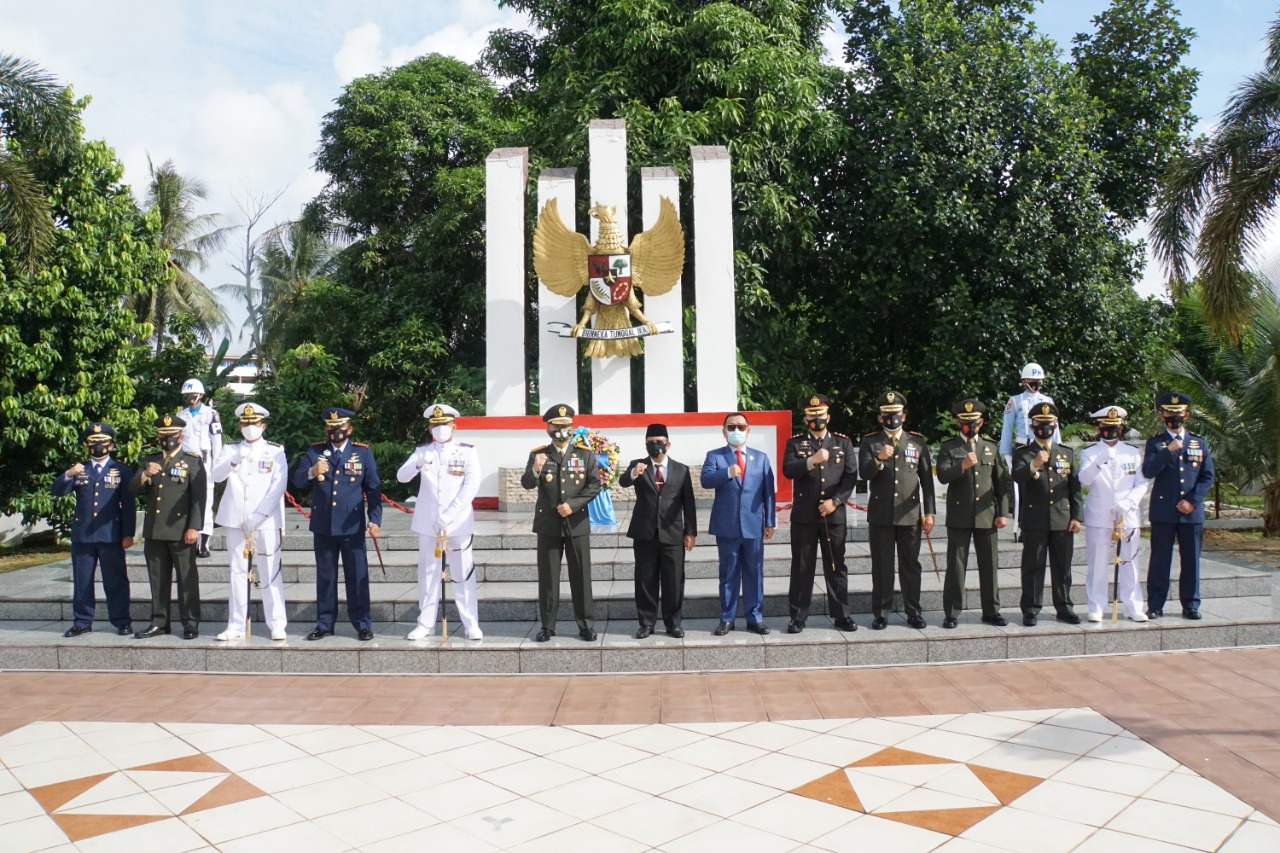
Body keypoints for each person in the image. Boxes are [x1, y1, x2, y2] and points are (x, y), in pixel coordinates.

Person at [291, 408, 382, 641]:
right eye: (331, 428)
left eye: (339, 427)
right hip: (324, 525)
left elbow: (373, 488)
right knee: (326, 576)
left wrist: (375, 519)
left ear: (349, 429)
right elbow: (297, 480)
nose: (335, 431)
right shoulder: (315, 452)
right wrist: (312, 471)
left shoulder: (362, 453)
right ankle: (324, 624)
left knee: (357, 575)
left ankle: (362, 624)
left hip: (352, 525)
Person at [396, 404, 483, 641]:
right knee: (428, 574)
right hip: (428, 523)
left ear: (454, 426)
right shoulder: (423, 451)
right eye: (435, 425)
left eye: (444, 424)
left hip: (458, 522)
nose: (440, 428)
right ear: (429, 428)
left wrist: (449, 515)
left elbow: (471, 487)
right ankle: (425, 623)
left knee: (463, 574)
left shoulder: (467, 452)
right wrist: (417, 463)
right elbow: (401, 477)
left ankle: (470, 623)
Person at [521, 404, 602, 642]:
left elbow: (594, 485)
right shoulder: (538, 454)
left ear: (572, 428)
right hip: (548, 524)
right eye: (557, 426)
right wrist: (535, 468)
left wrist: (573, 505)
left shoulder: (584, 454)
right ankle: (547, 626)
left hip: (576, 523)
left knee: (581, 576)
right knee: (548, 577)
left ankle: (586, 625)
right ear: (548, 429)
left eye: (566, 426)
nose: (562, 431)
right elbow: (527, 484)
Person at [210, 403, 289, 642]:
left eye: (254, 423)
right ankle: (235, 624)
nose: (249, 427)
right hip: (236, 520)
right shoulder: (231, 449)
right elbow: (215, 476)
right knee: (237, 572)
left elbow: (278, 486)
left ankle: (277, 623)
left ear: (262, 426)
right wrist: (235, 460)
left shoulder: (275, 450)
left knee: (270, 571)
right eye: (245, 423)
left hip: (265, 520)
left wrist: (258, 516)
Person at [781, 394, 858, 633]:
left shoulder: (842, 443)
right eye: (812, 416)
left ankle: (842, 615)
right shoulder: (795, 443)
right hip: (804, 515)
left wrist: (835, 501)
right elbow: (788, 470)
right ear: (806, 419)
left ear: (828, 417)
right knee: (802, 566)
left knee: (836, 565)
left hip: (833, 515)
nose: (817, 419)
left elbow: (850, 476)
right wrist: (811, 461)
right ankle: (798, 617)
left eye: (821, 415)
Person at [860, 392, 936, 630]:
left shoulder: (917, 442)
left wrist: (930, 512)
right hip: (881, 515)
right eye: (887, 414)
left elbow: (926, 480)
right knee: (882, 566)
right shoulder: (870, 442)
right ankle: (881, 613)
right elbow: (864, 473)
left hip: (909, 514)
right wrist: (878, 458)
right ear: (880, 417)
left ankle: (913, 612)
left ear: (903, 416)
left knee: (910, 566)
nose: (891, 418)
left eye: (895, 414)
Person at [52, 422, 135, 637]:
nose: (98, 447)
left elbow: (128, 505)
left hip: (111, 535)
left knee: (115, 580)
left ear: (111, 445)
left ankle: (122, 621)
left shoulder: (122, 471)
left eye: (103, 442)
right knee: (82, 581)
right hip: (83, 535)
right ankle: (82, 621)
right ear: (87, 446)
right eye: (93, 443)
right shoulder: (80, 470)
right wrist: (69, 473)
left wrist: (128, 533)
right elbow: (57, 490)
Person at [130, 414, 206, 639]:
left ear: (181, 437)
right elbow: (132, 488)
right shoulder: (150, 460)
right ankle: (159, 622)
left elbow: (198, 498)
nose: (167, 439)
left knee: (186, 579)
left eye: (171, 435)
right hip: (155, 531)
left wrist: (194, 527)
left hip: (181, 530)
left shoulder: (192, 461)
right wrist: (145, 475)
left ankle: (190, 623)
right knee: (157, 579)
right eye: (163, 436)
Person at [936, 400, 1010, 628]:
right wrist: (962, 466)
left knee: (989, 565)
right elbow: (942, 476)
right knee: (956, 567)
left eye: (974, 422)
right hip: (959, 514)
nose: (971, 425)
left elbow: (1001, 482)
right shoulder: (949, 447)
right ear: (958, 422)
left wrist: (1003, 512)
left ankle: (991, 611)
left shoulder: (991, 447)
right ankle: (952, 612)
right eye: (966, 422)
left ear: (982, 422)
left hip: (987, 514)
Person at [619, 423, 697, 639]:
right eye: (651, 442)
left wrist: (691, 532)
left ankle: (673, 624)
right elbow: (623, 482)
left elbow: (689, 502)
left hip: (673, 532)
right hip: (645, 532)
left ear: (668, 444)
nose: (655, 446)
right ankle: (646, 623)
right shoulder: (638, 465)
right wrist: (634, 473)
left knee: (674, 580)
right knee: (645, 580)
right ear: (645, 444)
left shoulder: (681, 469)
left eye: (659, 442)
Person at [702, 412, 776, 636]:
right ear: (724, 431)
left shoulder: (761, 458)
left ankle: (755, 618)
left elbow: (768, 492)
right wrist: (726, 472)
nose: (736, 431)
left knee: (755, 573)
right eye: (731, 427)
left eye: (741, 427)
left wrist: (769, 521)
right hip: (727, 526)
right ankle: (727, 618)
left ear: (748, 431)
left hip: (753, 525)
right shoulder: (715, 456)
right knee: (729, 574)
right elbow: (706, 480)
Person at [1143, 391, 1215, 620]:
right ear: (1162, 416)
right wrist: (1169, 450)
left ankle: (1191, 604)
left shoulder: (1199, 443)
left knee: (1191, 560)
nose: (1174, 417)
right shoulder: (1155, 443)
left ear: (1187, 415)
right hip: (1163, 511)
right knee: (1160, 560)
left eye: (1179, 413)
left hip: (1191, 513)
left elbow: (1207, 476)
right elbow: (1148, 471)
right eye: (1169, 413)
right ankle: (1155, 605)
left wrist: (1192, 501)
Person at [1012, 402, 1082, 626]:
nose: (1044, 427)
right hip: (1035, 519)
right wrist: (1034, 464)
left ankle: (1065, 608)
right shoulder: (1023, 452)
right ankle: (1031, 609)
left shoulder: (1066, 453)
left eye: (1048, 423)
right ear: (1032, 427)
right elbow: (1017, 476)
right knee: (1033, 567)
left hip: (1062, 519)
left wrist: (1077, 516)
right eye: (1040, 423)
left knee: (1063, 567)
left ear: (1055, 425)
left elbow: (1074, 488)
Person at [1078, 406, 1150, 622]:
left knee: (1130, 562)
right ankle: (1096, 606)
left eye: (1115, 427)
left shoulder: (1132, 452)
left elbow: (1141, 482)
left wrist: (1129, 502)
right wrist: (1099, 461)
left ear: (1121, 428)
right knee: (1097, 564)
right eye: (1106, 427)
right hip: (1099, 515)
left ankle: (1133, 605)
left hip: (1127, 514)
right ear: (1098, 428)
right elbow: (1084, 480)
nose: (1110, 431)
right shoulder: (1090, 453)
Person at [999, 363, 1059, 540]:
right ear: (1024, 381)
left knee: (1045, 485)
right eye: (1032, 380)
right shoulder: (1015, 401)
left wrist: (1058, 449)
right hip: (1023, 448)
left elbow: (1056, 427)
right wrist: (1006, 453)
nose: (1036, 384)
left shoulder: (1048, 401)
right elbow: (1007, 428)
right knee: (1023, 490)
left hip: (1045, 446)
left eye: (1038, 380)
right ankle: (1021, 527)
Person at [178, 377, 223, 558]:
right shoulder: (181, 415)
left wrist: (217, 467)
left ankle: (203, 543)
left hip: (205, 461)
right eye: (187, 395)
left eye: (192, 394)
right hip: (185, 462)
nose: (189, 397)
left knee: (205, 502)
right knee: (185, 500)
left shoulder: (211, 414)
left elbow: (217, 442)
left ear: (201, 395)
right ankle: (188, 539)